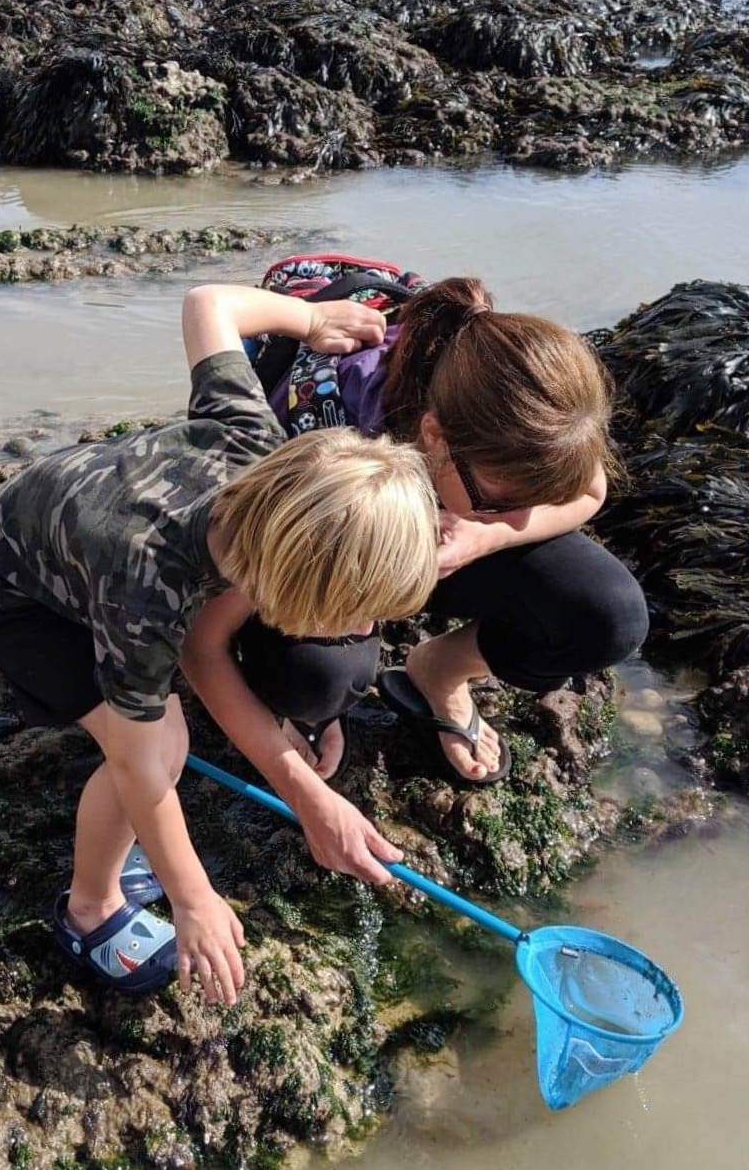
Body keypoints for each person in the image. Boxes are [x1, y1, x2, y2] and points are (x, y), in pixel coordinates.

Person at [0, 286, 439, 1005]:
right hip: (12, 588)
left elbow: (208, 304)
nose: (363, 635)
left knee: (159, 730)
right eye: (352, 616)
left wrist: (309, 319)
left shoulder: (257, 443)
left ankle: (122, 864)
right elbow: (138, 764)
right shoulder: (146, 592)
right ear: (282, 581)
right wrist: (193, 896)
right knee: (163, 742)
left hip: (72, 525)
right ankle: (89, 908)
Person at [225, 274, 649, 788]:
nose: (523, 520)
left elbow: (591, 491)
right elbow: (253, 579)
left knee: (608, 618)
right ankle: (319, 705)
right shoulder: (334, 444)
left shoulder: (532, 424)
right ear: (434, 436)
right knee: (314, 680)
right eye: (503, 501)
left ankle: (440, 671)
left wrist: (488, 534)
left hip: (444, 539)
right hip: (332, 542)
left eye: (537, 498)